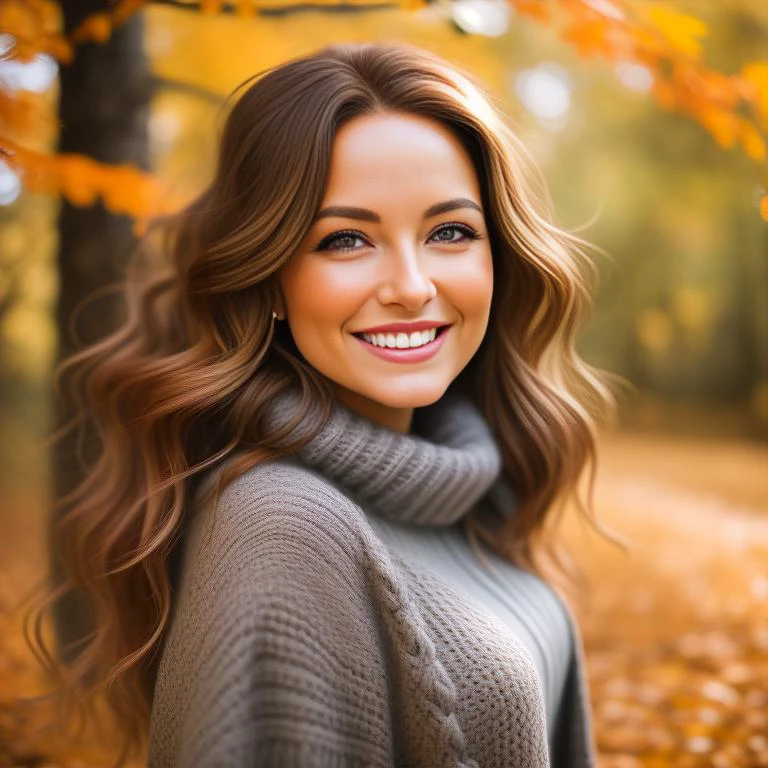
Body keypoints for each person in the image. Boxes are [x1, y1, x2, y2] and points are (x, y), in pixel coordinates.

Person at [32, 41, 614, 767]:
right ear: (270, 277)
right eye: (346, 239)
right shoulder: (285, 529)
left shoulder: (464, 485)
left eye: (450, 231)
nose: (410, 284)